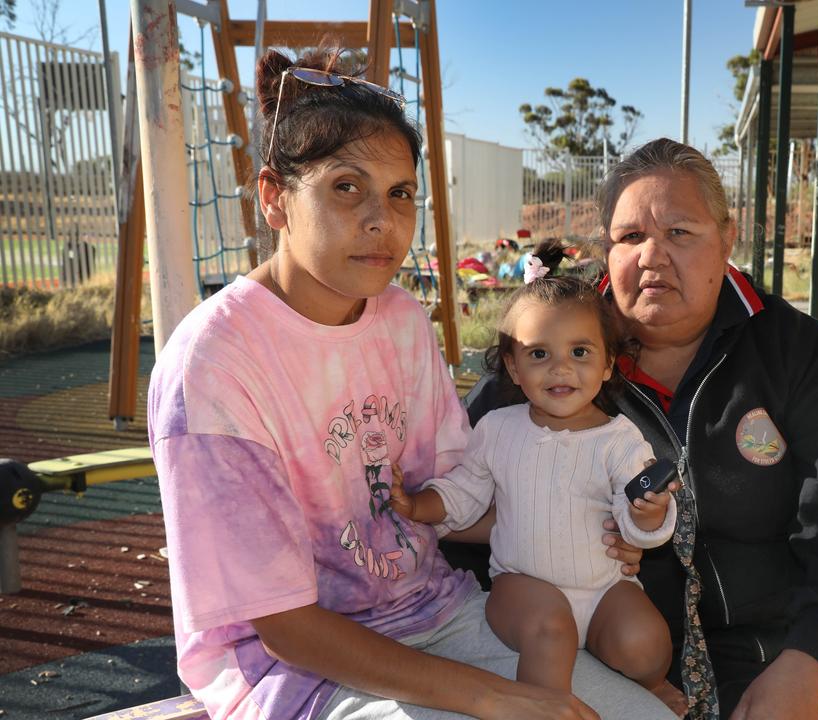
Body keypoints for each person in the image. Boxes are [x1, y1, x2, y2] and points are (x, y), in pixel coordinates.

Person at [147, 46, 673, 720]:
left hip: (437, 612)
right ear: (274, 199)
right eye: (346, 187)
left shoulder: (399, 319)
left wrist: (596, 522)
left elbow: (458, 495)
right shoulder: (214, 364)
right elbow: (284, 626)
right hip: (295, 668)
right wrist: (492, 696)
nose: (382, 221)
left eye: (400, 194)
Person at [461, 138, 818, 719]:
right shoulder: (545, 350)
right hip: (596, 644)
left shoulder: (789, 349)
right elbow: (453, 500)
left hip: (786, 638)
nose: (652, 257)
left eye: (680, 233)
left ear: (727, 240)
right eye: (631, 237)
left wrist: (810, 663)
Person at [386, 240, 683, 712]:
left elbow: (635, 529)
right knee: (550, 628)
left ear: (608, 364)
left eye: (580, 351)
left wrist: (650, 513)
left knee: (647, 643)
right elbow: (465, 492)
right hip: (521, 591)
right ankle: (547, 706)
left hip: (605, 589)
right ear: (513, 366)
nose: (561, 367)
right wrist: (417, 505)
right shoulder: (499, 429)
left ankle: (647, 684)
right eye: (539, 353)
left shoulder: (620, 439)